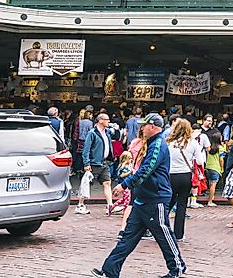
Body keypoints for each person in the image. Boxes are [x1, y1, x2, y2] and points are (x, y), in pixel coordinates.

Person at [92, 113, 186, 278]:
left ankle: (177, 268)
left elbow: (146, 170)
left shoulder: (157, 145)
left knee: (163, 234)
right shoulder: (152, 143)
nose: (141, 128)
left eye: (144, 125)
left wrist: (124, 184)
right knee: (128, 237)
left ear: (152, 127)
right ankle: (109, 270)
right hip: (144, 197)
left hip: (155, 197)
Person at [166, 118, 204, 241]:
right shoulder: (193, 143)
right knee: (182, 204)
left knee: (168, 203)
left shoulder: (169, 142)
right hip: (186, 175)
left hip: (171, 175)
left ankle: (161, 228)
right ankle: (179, 234)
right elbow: (200, 161)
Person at [79, 112, 119, 216]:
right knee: (87, 183)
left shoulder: (107, 132)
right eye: (107, 119)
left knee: (107, 183)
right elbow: (86, 149)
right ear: (100, 120)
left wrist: (116, 128)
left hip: (105, 162)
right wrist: (86, 163)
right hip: (94, 163)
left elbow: (116, 136)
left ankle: (110, 205)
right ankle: (80, 204)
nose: (108, 121)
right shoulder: (92, 133)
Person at [203, 128, 224, 207]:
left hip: (208, 167)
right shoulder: (220, 148)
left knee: (210, 184)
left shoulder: (209, 148)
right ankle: (210, 200)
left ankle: (211, 196)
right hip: (216, 167)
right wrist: (222, 168)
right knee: (213, 185)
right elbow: (221, 160)